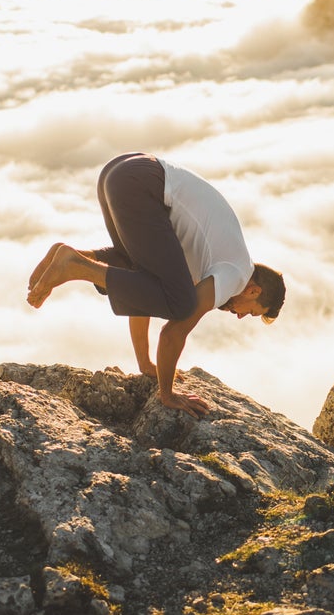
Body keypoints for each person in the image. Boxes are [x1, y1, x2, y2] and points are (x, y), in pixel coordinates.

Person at [26, 152, 286, 418]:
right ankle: (73, 264)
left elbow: (145, 291)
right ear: (255, 291)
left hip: (119, 172)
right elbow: (174, 331)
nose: (240, 316)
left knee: (144, 275)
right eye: (252, 311)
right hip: (143, 184)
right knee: (182, 303)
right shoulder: (236, 275)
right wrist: (168, 394)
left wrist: (145, 363)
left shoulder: (218, 258)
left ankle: (77, 257)